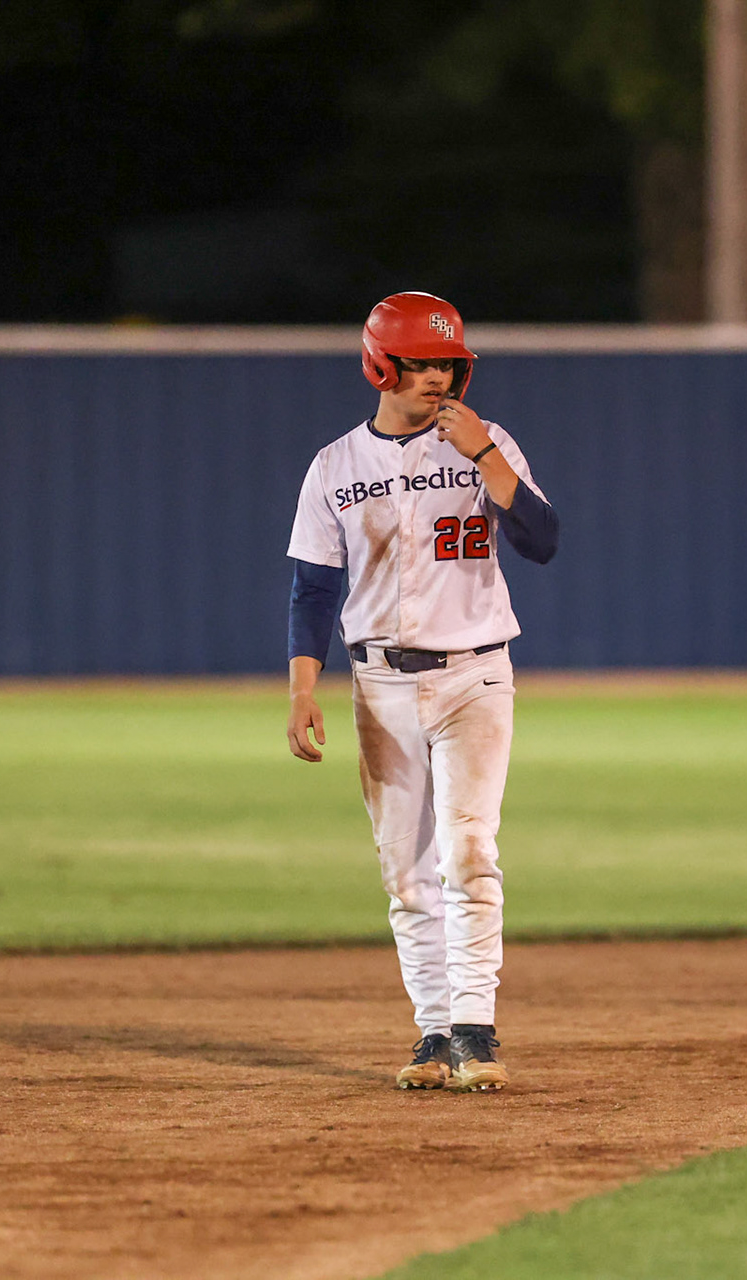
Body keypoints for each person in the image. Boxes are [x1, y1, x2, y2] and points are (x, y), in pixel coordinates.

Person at [284, 291, 559, 1089]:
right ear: (381, 366)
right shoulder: (336, 465)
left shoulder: (487, 443)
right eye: (420, 363)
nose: (437, 376)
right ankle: (433, 1033)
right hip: (379, 684)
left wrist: (487, 458)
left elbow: (542, 542)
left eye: (448, 362)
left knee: (470, 850)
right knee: (405, 871)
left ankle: (477, 1027)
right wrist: (303, 690)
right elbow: (310, 590)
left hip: (475, 674)